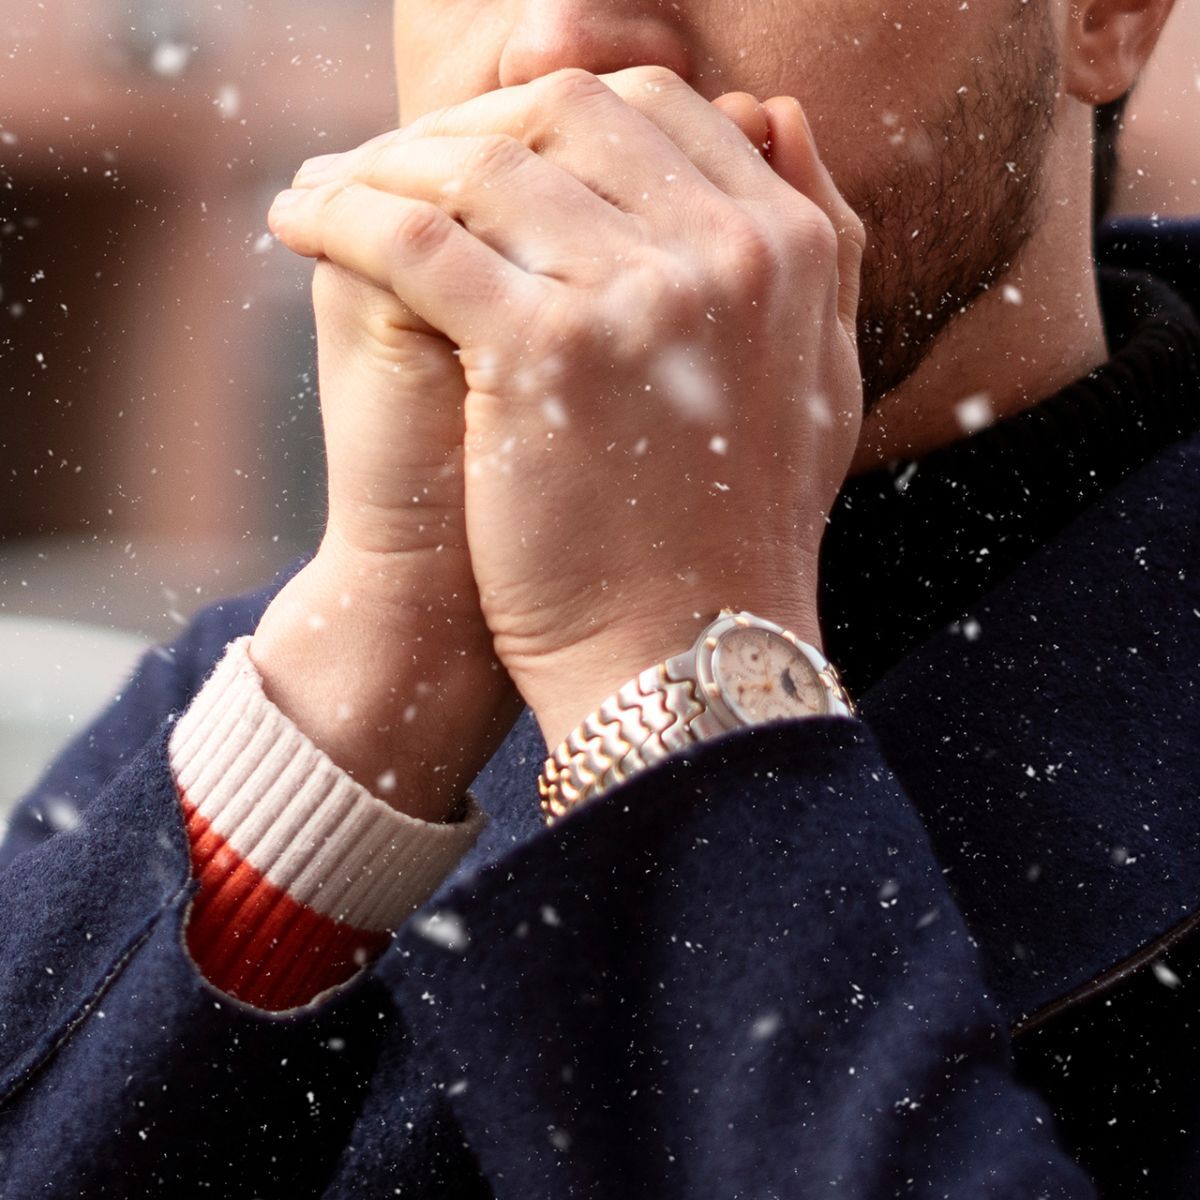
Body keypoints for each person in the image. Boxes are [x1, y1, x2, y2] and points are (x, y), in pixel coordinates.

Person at [0, 0, 1197, 1193]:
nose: (554, 47)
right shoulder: (274, 681)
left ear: (1106, 16)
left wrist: (667, 688)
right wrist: (376, 670)